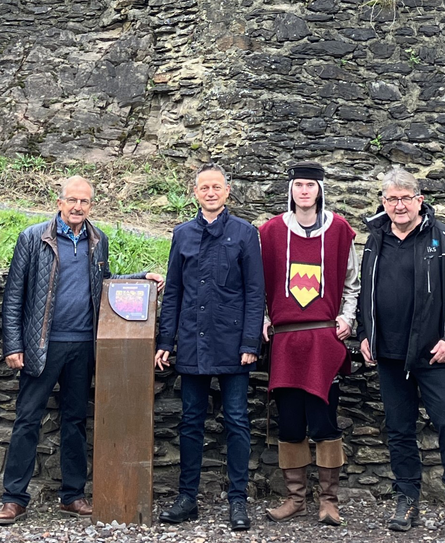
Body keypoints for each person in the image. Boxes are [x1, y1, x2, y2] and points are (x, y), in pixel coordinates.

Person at [0, 176, 164, 524]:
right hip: (41, 345)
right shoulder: (33, 238)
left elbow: (103, 284)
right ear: (59, 202)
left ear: (91, 205)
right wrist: (13, 344)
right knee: (27, 420)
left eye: (84, 202)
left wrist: (141, 276)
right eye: (72, 200)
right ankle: (14, 498)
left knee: (75, 421)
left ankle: (72, 495)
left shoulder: (97, 239)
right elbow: (14, 295)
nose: (77, 207)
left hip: (83, 345)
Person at [356, 167, 445, 538]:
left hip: (435, 353)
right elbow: (365, 295)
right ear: (383, 202)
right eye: (391, 199)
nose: (398, 206)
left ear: (419, 200)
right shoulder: (374, 241)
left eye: (405, 198)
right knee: (398, 430)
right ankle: (407, 498)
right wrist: (365, 334)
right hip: (389, 354)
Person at [154, 163, 264, 531]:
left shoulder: (245, 234)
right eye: (205, 187)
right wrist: (165, 341)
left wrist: (250, 341)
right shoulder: (182, 234)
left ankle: (238, 501)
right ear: (195, 192)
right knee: (190, 422)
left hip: (234, 345)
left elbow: (254, 292)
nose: (211, 192)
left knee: (236, 421)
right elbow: (174, 291)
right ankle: (187, 497)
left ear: (227, 192)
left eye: (217, 187)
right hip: (191, 342)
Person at [260, 162, 360, 525]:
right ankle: (295, 498)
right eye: (298, 185)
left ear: (320, 189)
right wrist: (263, 318)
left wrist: (347, 317)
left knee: (324, 422)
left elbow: (351, 281)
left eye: (310, 185)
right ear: (291, 189)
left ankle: (328, 501)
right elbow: (258, 285)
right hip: (286, 341)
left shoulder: (339, 230)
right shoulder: (270, 232)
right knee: (289, 424)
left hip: (323, 338)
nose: (304, 191)